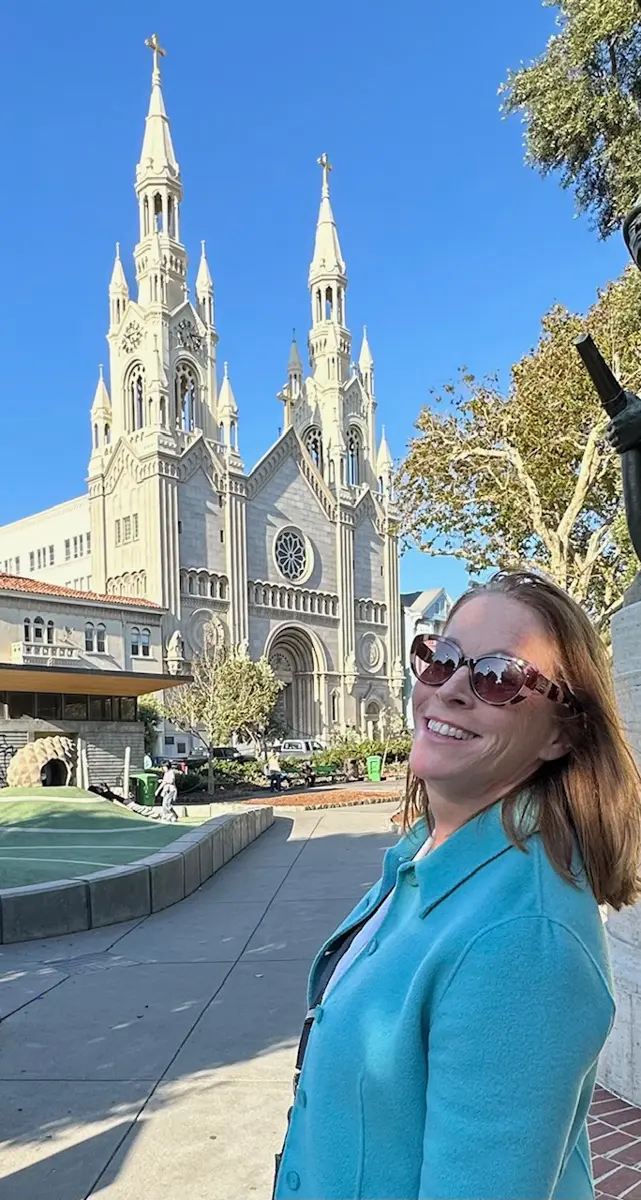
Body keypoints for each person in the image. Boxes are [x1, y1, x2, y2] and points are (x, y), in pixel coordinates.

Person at [273, 569, 641, 1200]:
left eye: (498, 677)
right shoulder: (426, 856)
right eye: (440, 658)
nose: (451, 689)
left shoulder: (524, 939)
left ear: (561, 733)